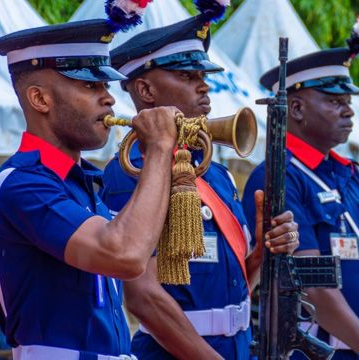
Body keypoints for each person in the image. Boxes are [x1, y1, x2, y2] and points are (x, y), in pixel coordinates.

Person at [101, 13, 299, 360]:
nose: (204, 85)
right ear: (146, 90)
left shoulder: (216, 173)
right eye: (187, 76)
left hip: (237, 346)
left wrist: (265, 249)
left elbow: (239, 284)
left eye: (202, 76)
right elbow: (142, 297)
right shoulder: (131, 170)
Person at [0, 19, 179, 359]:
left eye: (106, 86)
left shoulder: (81, 182)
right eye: (90, 86)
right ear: (40, 98)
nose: (108, 99)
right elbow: (124, 254)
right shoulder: (22, 182)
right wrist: (161, 149)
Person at [241, 44, 359, 359]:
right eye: (334, 101)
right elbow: (309, 282)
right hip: (317, 351)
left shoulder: (350, 175)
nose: (349, 110)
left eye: (348, 101)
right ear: (297, 108)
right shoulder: (280, 175)